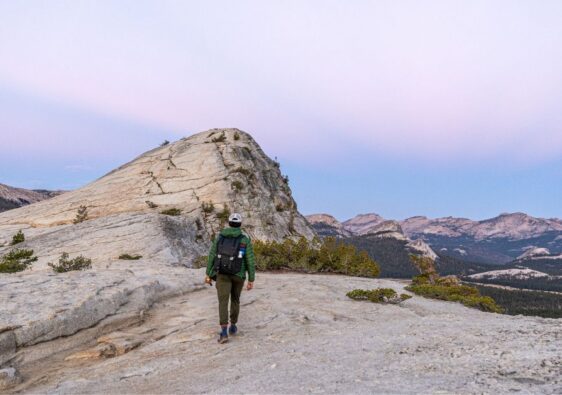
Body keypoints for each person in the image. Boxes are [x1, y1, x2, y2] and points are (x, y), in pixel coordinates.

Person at [205, 213, 255, 344]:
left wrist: (208, 274)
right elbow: (249, 259)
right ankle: (233, 326)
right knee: (235, 300)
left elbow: (212, 256)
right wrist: (251, 279)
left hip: (222, 274)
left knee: (222, 302)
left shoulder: (220, 238)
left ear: (229, 223)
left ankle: (223, 332)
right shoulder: (244, 240)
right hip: (238, 275)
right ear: (240, 224)